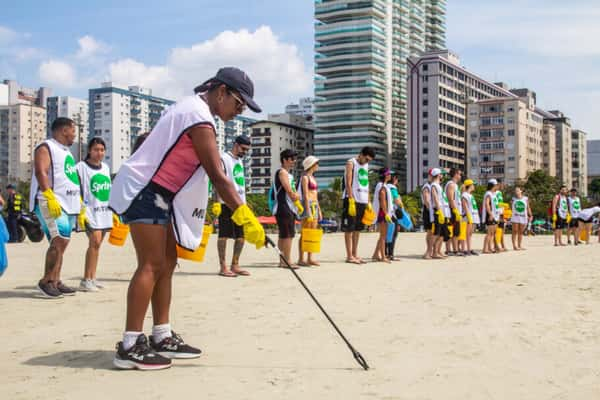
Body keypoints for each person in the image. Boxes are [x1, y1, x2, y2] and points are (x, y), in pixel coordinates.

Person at [109, 67, 265, 370]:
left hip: (162, 194)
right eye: (239, 103)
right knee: (151, 265)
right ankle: (129, 345)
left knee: (167, 263)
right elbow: (218, 176)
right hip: (145, 190)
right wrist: (246, 217)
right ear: (221, 92)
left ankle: (162, 335)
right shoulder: (198, 115)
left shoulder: (199, 112)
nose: (239, 110)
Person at [30, 117, 82, 298]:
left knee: (63, 241)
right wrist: (48, 194)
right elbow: (40, 171)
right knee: (58, 240)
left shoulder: (66, 152)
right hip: (51, 201)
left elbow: (69, 178)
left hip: (68, 203)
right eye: (73, 130)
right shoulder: (46, 147)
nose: (74, 134)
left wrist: (79, 204)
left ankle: (56, 280)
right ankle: (46, 281)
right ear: (64, 130)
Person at [211, 135, 251, 277]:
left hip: (239, 204)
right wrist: (216, 202)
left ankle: (235, 265)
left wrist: (245, 203)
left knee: (241, 236)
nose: (244, 152)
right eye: (243, 149)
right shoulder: (223, 159)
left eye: (247, 150)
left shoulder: (239, 161)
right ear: (236, 144)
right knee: (224, 235)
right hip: (225, 202)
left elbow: (239, 184)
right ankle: (223, 267)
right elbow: (217, 180)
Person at [76, 137, 112, 291]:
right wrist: (80, 209)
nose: (99, 153)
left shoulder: (105, 168)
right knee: (94, 242)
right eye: (96, 149)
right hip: (89, 212)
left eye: (102, 150)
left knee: (98, 245)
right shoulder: (81, 167)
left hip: (104, 212)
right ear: (89, 151)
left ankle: (92, 277)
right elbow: (76, 188)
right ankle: (86, 279)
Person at [341, 147, 375, 264]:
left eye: (369, 160)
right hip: (352, 200)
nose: (366, 162)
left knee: (357, 229)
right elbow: (348, 182)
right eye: (366, 159)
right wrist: (350, 199)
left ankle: (355, 254)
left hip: (363, 200)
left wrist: (369, 201)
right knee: (349, 229)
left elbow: (366, 183)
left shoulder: (366, 166)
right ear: (360, 154)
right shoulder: (351, 163)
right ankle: (349, 256)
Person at [273, 149, 303, 269]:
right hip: (283, 206)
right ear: (284, 160)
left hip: (288, 207)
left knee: (283, 234)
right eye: (291, 159)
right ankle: (287, 260)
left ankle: (282, 260)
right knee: (288, 235)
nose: (293, 161)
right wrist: (296, 197)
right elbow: (289, 191)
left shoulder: (289, 174)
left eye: (294, 159)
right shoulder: (282, 172)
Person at [297, 155, 322, 266]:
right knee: (304, 233)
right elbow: (306, 195)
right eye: (316, 163)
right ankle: (301, 258)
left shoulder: (313, 178)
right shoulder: (305, 177)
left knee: (312, 233)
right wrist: (308, 211)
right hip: (307, 205)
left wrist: (319, 210)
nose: (318, 165)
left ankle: (309, 257)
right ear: (311, 165)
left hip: (314, 205)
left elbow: (315, 195)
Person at [372, 168, 392, 263]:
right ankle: (383, 256)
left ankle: (376, 254)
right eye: (388, 174)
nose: (390, 175)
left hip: (383, 213)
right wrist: (386, 213)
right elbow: (383, 200)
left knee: (382, 235)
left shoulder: (383, 185)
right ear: (384, 175)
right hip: (382, 213)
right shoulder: (382, 186)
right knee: (383, 235)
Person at [429, 168, 447, 259]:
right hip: (437, 211)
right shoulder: (434, 185)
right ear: (438, 175)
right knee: (436, 233)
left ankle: (436, 251)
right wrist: (439, 211)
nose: (442, 175)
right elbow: (435, 198)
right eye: (441, 174)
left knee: (441, 234)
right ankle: (431, 252)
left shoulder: (439, 185)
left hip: (441, 211)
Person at [445, 168, 463, 256]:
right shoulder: (451, 184)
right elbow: (450, 198)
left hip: (456, 210)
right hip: (452, 210)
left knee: (456, 231)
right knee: (452, 231)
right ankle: (450, 250)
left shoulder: (455, 185)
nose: (460, 176)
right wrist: (455, 210)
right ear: (455, 174)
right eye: (459, 174)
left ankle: (454, 249)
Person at [386, 174, 403, 261]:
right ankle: (390, 254)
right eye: (397, 179)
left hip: (386, 213)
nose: (397, 182)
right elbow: (397, 201)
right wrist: (400, 200)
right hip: (392, 214)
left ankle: (385, 253)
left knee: (387, 234)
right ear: (395, 179)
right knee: (393, 235)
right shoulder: (392, 188)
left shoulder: (385, 186)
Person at [460, 179, 479, 256]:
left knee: (470, 234)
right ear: (470, 186)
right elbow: (465, 207)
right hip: (467, 217)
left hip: (473, 216)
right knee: (466, 234)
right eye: (473, 185)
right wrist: (469, 217)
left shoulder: (471, 195)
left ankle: (469, 249)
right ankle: (464, 250)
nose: (474, 186)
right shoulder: (464, 195)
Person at [481, 179, 499, 254]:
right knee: (489, 233)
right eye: (496, 185)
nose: (497, 186)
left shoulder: (494, 194)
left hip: (494, 215)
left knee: (492, 233)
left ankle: (490, 248)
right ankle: (485, 249)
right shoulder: (488, 193)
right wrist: (490, 214)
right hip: (490, 215)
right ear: (493, 185)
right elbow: (487, 204)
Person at [421, 171, 433, 259]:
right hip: (428, 210)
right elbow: (426, 200)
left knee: (432, 232)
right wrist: (431, 210)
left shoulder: (433, 186)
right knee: (430, 232)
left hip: (431, 210)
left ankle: (431, 251)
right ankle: (428, 252)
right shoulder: (427, 186)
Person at [494, 180, 507, 252]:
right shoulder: (493, 193)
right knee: (496, 230)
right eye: (501, 184)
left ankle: (502, 244)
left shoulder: (500, 192)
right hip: (496, 213)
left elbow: (500, 203)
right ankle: (496, 245)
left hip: (501, 213)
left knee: (502, 230)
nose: (502, 185)